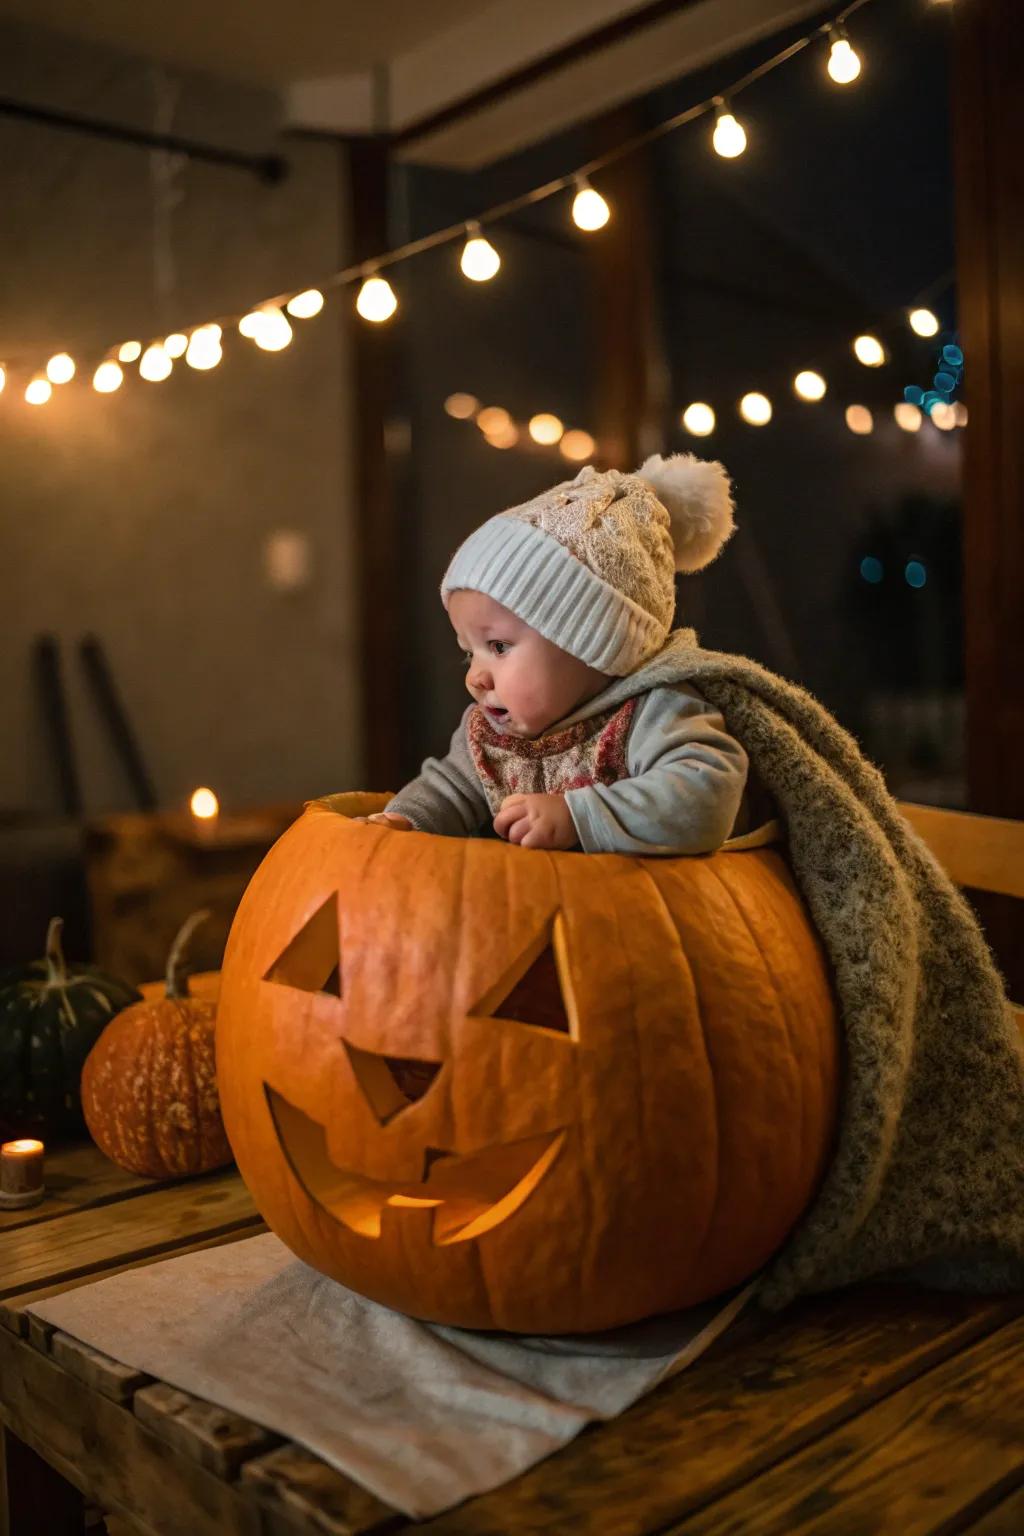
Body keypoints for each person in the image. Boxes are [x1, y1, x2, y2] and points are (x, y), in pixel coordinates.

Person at [361, 453, 770, 853]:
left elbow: (707, 796)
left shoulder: (653, 713)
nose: (475, 678)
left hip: (639, 910)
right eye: (470, 653)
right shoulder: (490, 736)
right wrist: (407, 821)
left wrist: (579, 816)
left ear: (591, 643)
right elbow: (451, 787)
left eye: (498, 647)